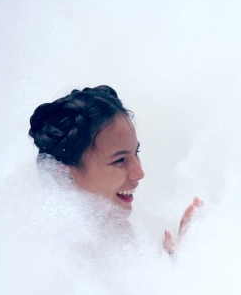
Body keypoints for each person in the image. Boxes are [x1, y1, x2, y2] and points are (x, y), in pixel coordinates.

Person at [28, 85, 200, 253]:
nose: (139, 173)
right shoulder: (56, 252)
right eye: (119, 160)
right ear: (65, 174)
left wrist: (175, 255)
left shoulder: (113, 227)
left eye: (136, 152)